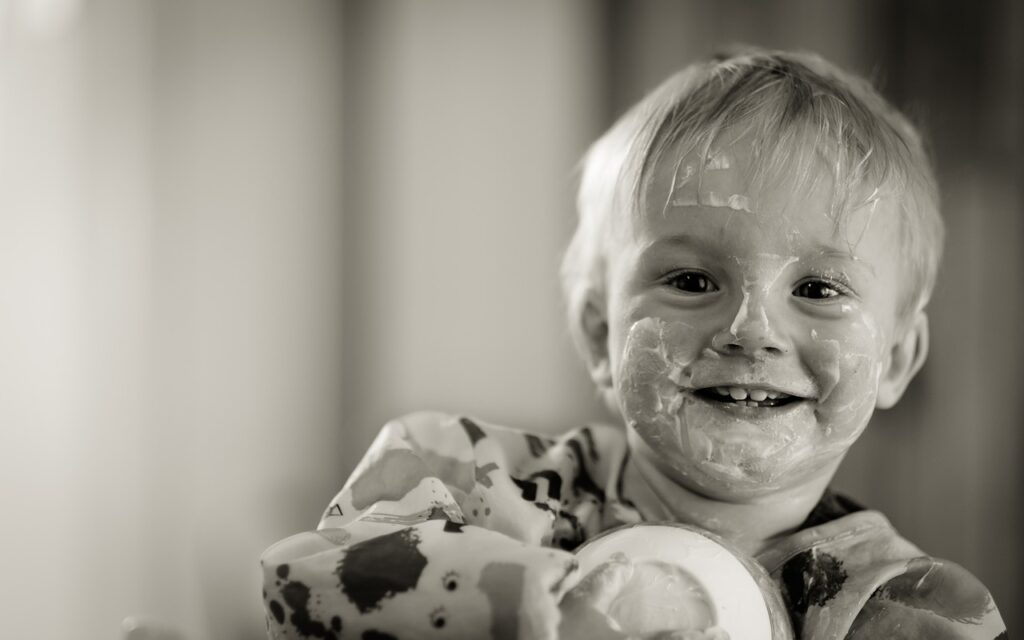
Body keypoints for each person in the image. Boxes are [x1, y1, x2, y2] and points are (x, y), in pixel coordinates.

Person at [259, 49, 1007, 639]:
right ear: (596, 332)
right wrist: (551, 609)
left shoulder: (910, 611)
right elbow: (305, 579)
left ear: (899, 359)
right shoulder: (462, 478)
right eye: (690, 279)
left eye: (818, 289)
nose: (751, 328)